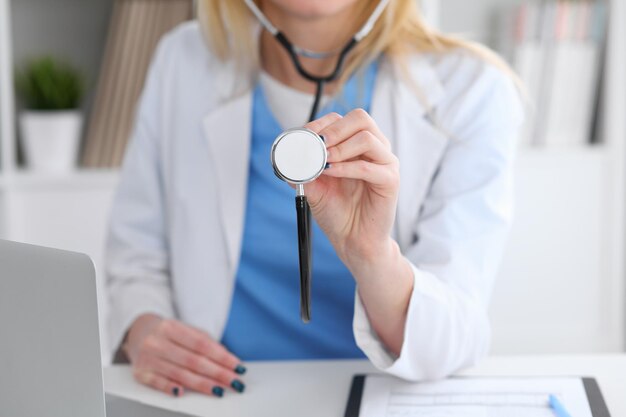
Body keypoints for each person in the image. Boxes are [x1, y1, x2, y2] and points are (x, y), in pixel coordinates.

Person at [105, 0, 524, 398]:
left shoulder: (473, 90)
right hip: (215, 398)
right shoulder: (183, 59)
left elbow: (452, 336)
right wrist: (144, 328)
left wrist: (371, 254)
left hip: (374, 398)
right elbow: (135, 255)